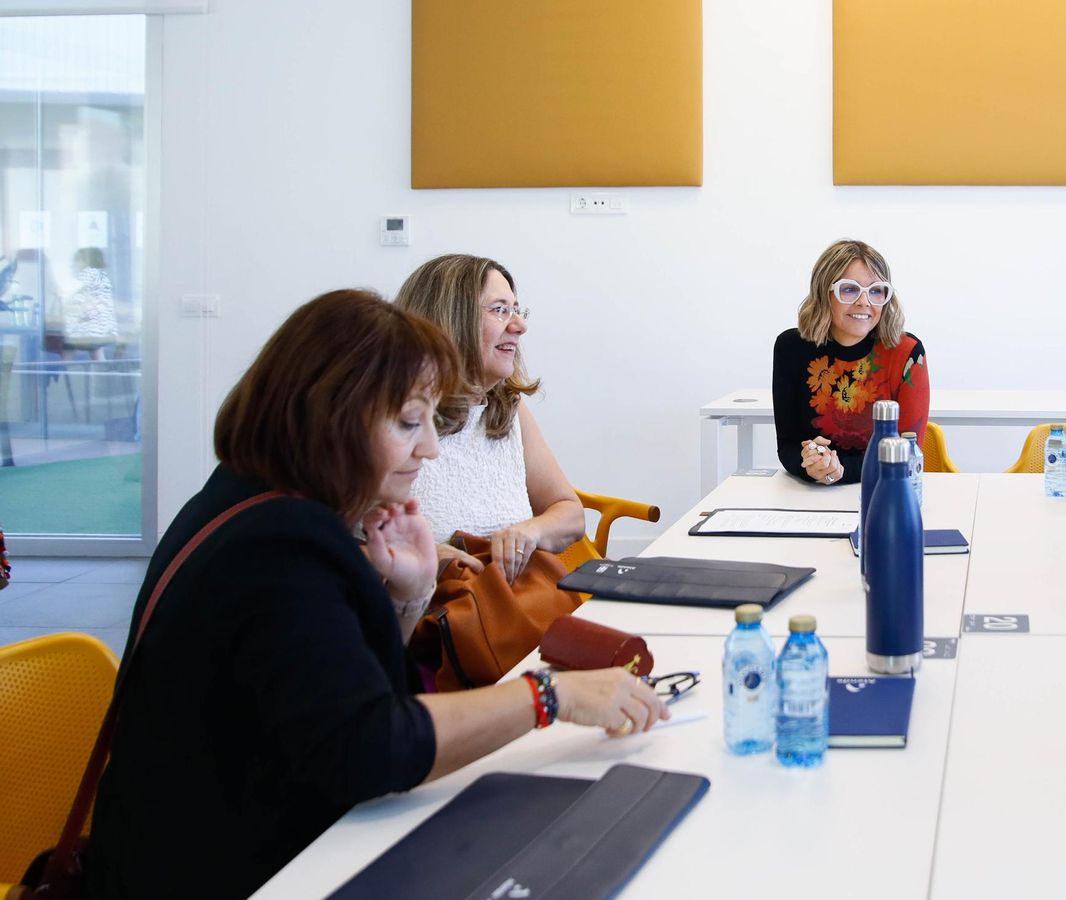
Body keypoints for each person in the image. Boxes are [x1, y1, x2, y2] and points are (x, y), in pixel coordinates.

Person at [88, 291, 667, 899]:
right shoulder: (282, 545)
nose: (430, 448)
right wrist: (549, 695)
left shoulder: (245, 501)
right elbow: (373, 749)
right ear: (334, 416)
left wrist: (409, 597)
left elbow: (347, 694)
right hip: (235, 870)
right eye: (409, 423)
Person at [395, 254, 585, 583]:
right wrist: (421, 557)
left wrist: (530, 531)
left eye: (516, 309)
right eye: (500, 310)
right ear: (451, 321)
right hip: (435, 618)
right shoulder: (382, 419)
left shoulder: (507, 409)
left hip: (512, 614)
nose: (519, 325)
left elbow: (570, 513)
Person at [772, 239, 929, 485]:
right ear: (824, 293)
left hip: (885, 490)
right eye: (849, 289)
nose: (864, 302)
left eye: (876, 290)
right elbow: (788, 446)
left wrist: (840, 470)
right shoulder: (791, 348)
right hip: (812, 498)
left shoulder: (907, 353)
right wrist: (810, 466)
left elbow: (907, 453)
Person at [64, 246, 117, 359]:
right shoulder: (103, 277)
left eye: (77, 260)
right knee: (97, 351)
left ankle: (63, 369)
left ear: (86, 261)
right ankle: (102, 373)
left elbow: (73, 295)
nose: (73, 265)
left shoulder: (88, 274)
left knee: (65, 344)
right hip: (104, 329)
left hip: (88, 330)